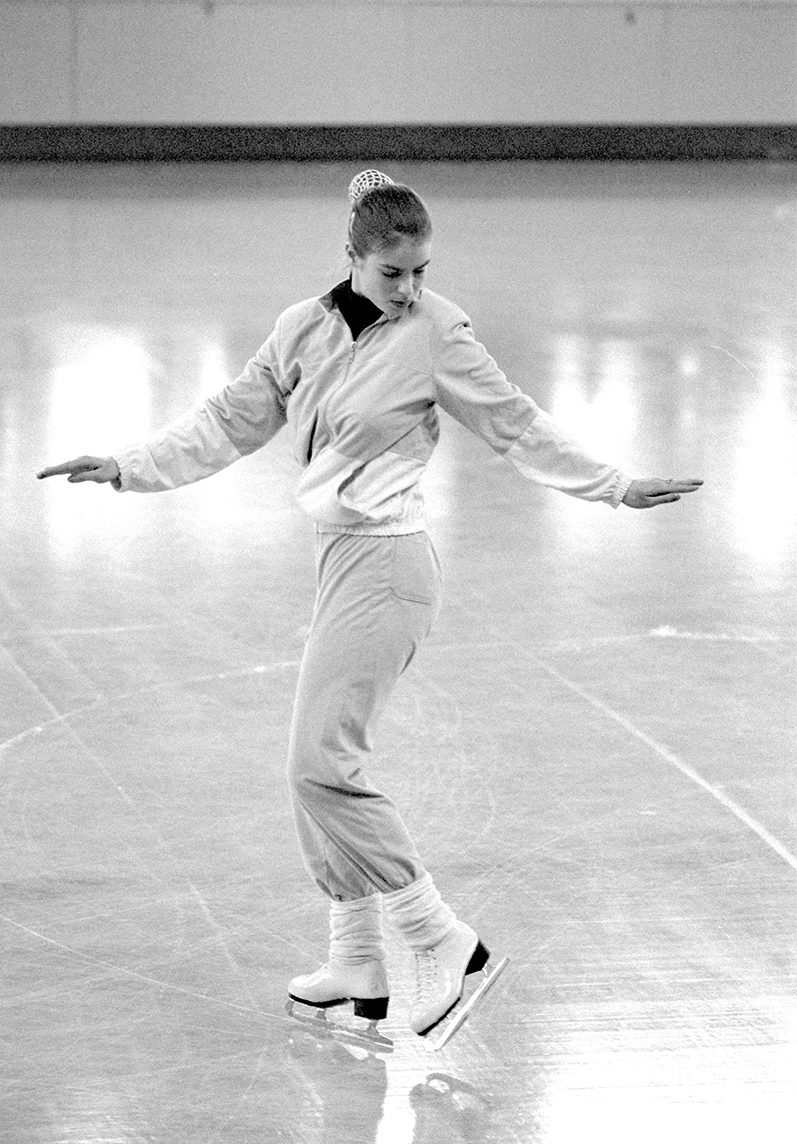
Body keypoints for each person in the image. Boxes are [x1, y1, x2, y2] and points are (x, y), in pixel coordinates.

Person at [37, 168, 703, 1039]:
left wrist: (614, 485)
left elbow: (514, 423)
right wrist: (127, 464)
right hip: (338, 558)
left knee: (320, 765)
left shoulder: (437, 334)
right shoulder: (301, 329)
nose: (410, 288)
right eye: (393, 273)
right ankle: (354, 958)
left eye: (421, 271)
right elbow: (230, 419)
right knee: (314, 765)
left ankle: (442, 940)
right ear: (351, 257)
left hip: (389, 563)